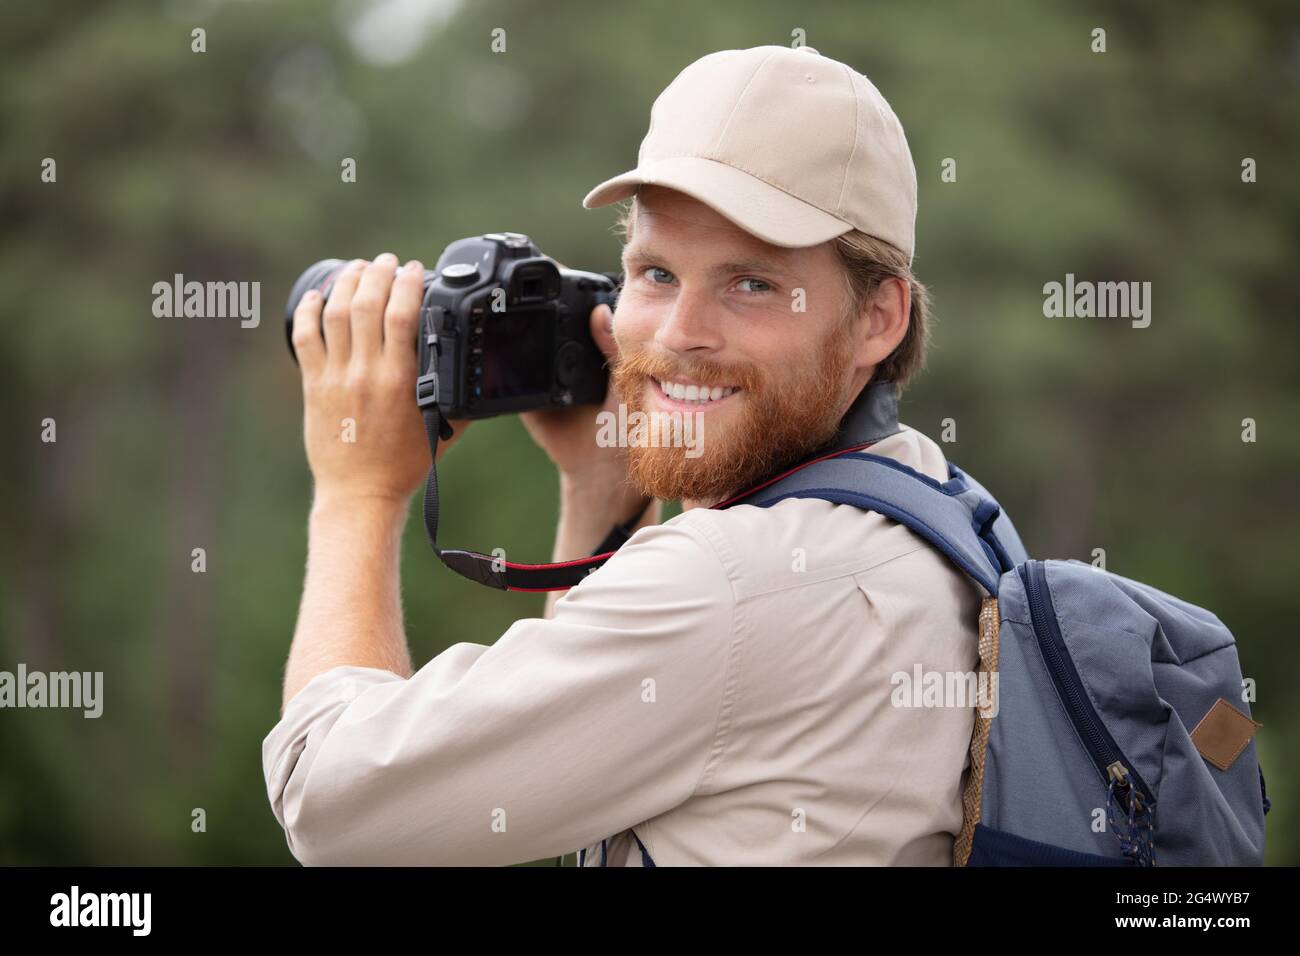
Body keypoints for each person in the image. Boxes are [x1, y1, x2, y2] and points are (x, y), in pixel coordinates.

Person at [262, 44, 981, 866]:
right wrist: (604, 491)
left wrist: (358, 491)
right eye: (655, 273)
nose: (679, 336)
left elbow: (333, 805)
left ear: (878, 318)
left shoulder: (729, 587)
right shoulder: (934, 504)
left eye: (750, 283)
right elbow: (607, 763)